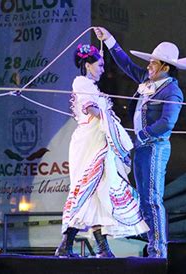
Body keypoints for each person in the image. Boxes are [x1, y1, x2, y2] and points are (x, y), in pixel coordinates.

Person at [94, 27, 186, 258]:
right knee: (143, 198)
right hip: (141, 147)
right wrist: (110, 40)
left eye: (153, 63)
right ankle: (152, 244)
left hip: (155, 146)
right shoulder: (147, 80)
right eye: (150, 63)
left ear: (165, 67)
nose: (148, 66)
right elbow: (126, 64)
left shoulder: (172, 91)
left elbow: (166, 123)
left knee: (152, 198)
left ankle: (158, 249)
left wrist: (140, 135)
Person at [55, 44, 149, 258]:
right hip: (90, 142)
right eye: (100, 65)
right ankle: (68, 245)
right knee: (89, 188)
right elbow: (90, 108)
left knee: (101, 192)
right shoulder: (81, 82)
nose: (103, 69)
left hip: (98, 140)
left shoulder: (90, 85)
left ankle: (100, 248)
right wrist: (109, 118)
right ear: (88, 65)